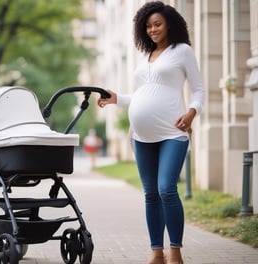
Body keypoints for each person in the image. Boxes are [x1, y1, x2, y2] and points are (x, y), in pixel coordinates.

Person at [97, 1, 205, 264]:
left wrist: (191, 112)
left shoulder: (182, 51)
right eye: (148, 26)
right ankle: (157, 252)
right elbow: (143, 95)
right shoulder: (145, 56)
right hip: (141, 136)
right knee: (150, 193)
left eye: (157, 24)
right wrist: (116, 98)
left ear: (169, 24)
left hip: (173, 131)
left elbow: (199, 89)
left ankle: (175, 252)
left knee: (167, 188)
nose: (152, 29)